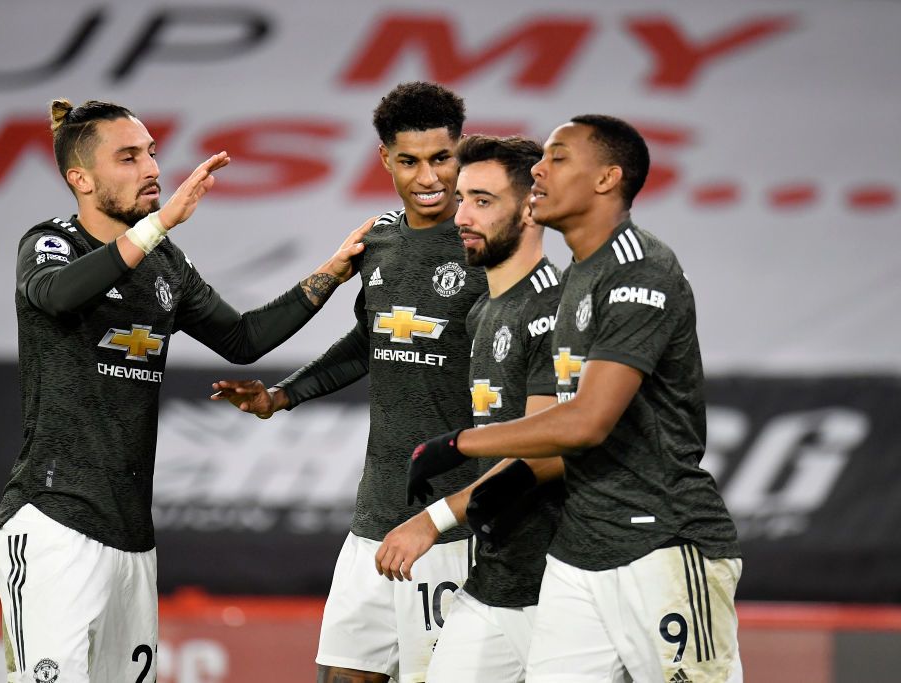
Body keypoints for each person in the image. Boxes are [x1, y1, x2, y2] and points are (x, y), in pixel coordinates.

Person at [0, 98, 369, 683]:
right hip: (52, 521)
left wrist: (329, 274)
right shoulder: (50, 242)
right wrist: (160, 223)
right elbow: (60, 295)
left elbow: (243, 339)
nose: (152, 169)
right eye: (129, 157)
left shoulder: (165, 263)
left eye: (151, 153)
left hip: (132, 536)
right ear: (81, 179)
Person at [406, 115, 743, 682]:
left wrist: (458, 444)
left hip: (661, 542)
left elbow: (586, 423)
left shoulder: (643, 272)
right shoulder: (581, 276)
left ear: (608, 178)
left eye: (559, 158)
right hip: (579, 552)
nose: (539, 168)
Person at [211, 82, 487, 683]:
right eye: (410, 160)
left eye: (441, 158)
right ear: (385, 158)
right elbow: (372, 340)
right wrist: (282, 395)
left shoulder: (487, 247)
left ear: (461, 152)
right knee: (343, 676)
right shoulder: (379, 241)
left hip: (453, 523)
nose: (428, 176)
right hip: (377, 514)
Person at [373, 134, 566, 683]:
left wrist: (434, 520)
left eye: (483, 200)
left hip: (563, 587)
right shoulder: (484, 311)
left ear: (532, 206)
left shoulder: (556, 309)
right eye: (462, 199)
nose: (462, 215)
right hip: (497, 579)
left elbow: (549, 455)